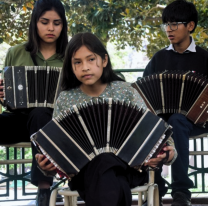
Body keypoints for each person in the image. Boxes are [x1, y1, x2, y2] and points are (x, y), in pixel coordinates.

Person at [35, 32, 177, 206]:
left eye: (91, 59)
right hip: (84, 174)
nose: (85, 67)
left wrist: (167, 155)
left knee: (105, 161)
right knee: (104, 165)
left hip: (129, 169)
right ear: (71, 67)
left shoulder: (126, 91)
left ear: (104, 60)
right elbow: (57, 151)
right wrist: (47, 167)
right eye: (77, 62)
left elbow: (159, 134)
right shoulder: (65, 99)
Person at [0, 0, 68, 206]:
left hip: (55, 124)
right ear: (34, 23)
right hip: (20, 120)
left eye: (57, 23)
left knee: (40, 113)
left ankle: (43, 192)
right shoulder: (15, 52)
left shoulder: (70, 55)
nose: (51, 28)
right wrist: (3, 96)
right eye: (44, 22)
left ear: (63, 25)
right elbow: (9, 101)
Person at [143, 1, 208, 206]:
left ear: (190, 26)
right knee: (154, 122)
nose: (168, 30)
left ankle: (181, 192)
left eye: (174, 24)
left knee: (177, 120)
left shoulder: (205, 58)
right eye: (166, 25)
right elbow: (144, 91)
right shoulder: (159, 58)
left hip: (199, 121)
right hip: (166, 122)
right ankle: (156, 188)